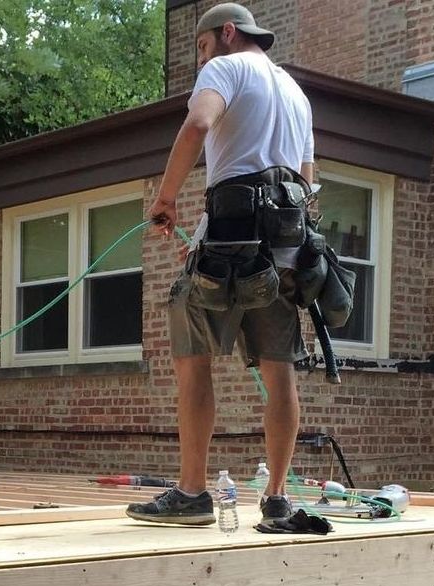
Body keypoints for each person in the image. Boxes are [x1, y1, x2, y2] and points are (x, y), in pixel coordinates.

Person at [126, 2, 315, 527]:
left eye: (203, 46)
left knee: (193, 357)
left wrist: (165, 200)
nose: (201, 57)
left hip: (230, 239)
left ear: (227, 33)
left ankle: (191, 493)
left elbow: (197, 125)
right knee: (280, 374)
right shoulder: (296, 94)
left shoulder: (226, 68)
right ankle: (276, 498)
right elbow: (304, 178)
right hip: (281, 250)